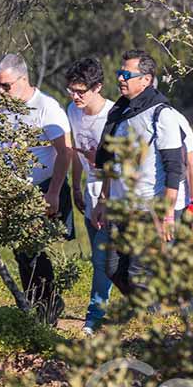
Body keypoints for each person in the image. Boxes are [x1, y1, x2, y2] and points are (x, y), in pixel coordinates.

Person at [94, 50, 183, 298]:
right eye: (119, 73)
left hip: (148, 209)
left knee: (139, 274)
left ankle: (154, 318)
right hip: (120, 207)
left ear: (146, 80)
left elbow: (174, 168)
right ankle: (164, 307)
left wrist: (167, 214)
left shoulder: (162, 114)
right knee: (112, 268)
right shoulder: (120, 112)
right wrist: (103, 200)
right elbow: (111, 162)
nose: (120, 79)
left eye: (126, 75)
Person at [0, 53, 73, 325]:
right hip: (10, 193)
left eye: (6, 86)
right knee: (21, 251)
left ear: (23, 79)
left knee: (32, 250)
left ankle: (46, 310)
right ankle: (39, 306)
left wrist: (54, 193)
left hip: (41, 189)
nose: (1, 92)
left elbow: (64, 152)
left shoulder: (46, 107)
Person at [64, 57, 120, 336]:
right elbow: (76, 152)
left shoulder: (114, 115)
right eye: (71, 91)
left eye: (81, 91)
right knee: (108, 260)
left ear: (97, 87)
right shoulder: (73, 111)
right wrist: (76, 186)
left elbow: (117, 163)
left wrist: (104, 201)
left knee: (102, 257)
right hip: (90, 191)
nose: (75, 97)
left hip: (113, 193)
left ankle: (94, 317)